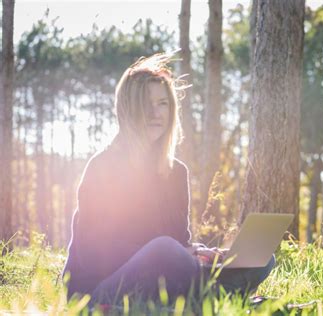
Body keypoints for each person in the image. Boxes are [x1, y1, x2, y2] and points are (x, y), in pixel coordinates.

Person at [62, 53, 275, 307]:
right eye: (146, 103)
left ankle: (213, 297)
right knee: (163, 251)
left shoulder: (176, 172)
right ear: (129, 109)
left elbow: (178, 242)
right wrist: (173, 253)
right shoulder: (103, 167)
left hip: (161, 275)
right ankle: (221, 297)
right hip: (98, 289)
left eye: (163, 103)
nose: (156, 112)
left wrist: (198, 251)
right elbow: (94, 255)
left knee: (259, 256)